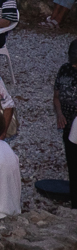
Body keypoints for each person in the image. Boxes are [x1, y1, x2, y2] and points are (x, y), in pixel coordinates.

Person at [53, 40, 77, 209]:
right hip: (67, 122)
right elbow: (56, 95)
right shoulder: (65, 69)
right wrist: (59, 114)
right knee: (72, 162)